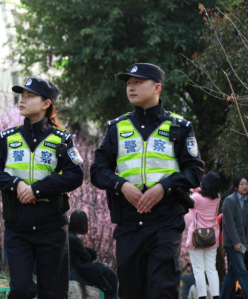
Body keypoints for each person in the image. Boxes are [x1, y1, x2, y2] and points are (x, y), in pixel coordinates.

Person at [90, 63, 204, 299]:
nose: (131, 87)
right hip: (129, 222)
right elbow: (98, 170)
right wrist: (121, 185)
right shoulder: (116, 128)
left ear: (157, 87)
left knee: (162, 289)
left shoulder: (180, 127)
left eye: (138, 82)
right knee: (131, 291)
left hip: (166, 220)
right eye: (129, 83)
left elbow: (195, 170)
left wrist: (164, 187)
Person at [0, 77, 84, 299]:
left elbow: (75, 175)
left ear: (46, 103)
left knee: (54, 292)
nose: (23, 100)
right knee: (19, 289)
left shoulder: (62, 139)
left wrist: (37, 189)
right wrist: (16, 184)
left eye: (30, 96)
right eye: (22, 96)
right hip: (17, 225)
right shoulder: (7, 138)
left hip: (52, 225)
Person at [69, 210, 119, 299]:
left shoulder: (69, 236)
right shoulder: (73, 239)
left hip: (72, 270)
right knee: (111, 277)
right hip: (73, 272)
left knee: (110, 276)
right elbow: (87, 257)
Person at [186, 171, 221, 299]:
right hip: (212, 237)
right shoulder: (217, 197)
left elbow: (192, 197)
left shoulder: (196, 198)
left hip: (197, 238)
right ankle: (216, 296)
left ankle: (201, 296)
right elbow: (200, 192)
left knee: (199, 269)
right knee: (211, 268)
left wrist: (192, 188)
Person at [219, 175, 248, 298]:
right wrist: (236, 242)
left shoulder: (247, 200)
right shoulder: (229, 201)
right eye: (242, 184)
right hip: (231, 243)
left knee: (232, 273)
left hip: (243, 243)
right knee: (242, 271)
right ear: (236, 187)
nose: (245, 186)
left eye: (246, 184)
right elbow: (229, 224)